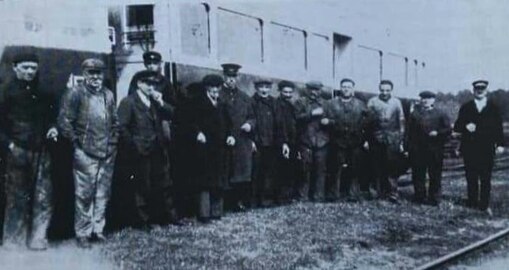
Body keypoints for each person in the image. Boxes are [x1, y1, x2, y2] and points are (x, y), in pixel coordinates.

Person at [58, 58, 118, 248]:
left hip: (107, 152)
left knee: (102, 193)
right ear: (84, 74)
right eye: (91, 73)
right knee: (84, 194)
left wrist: (114, 142)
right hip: (85, 153)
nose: (95, 77)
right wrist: (77, 145)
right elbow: (64, 121)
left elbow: (115, 121)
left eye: (98, 73)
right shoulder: (75, 93)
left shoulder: (108, 95)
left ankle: (97, 230)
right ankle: (82, 232)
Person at [0, 52, 58, 250]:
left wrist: (52, 128)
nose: (30, 72)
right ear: (15, 68)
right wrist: (9, 144)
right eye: (25, 67)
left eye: (33, 68)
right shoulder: (4, 92)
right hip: (17, 150)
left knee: (44, 196)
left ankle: (38, 238)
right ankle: (13, 240)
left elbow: (52, 116)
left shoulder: (44, 92)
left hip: (42, 151)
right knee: (16, 196)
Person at [117, 70, 179, 229]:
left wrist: (161, 102)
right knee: (141, 187)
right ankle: (143, 221)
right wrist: (134, 146)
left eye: (154, 84)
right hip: (140, 151)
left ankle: (168, 218)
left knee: (163, 184)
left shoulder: (154, 101)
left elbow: (172, 114)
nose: (151, 87)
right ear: (139, 84)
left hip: (157, 149)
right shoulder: (129, 102)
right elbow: (122, 127)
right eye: (148, 83)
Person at [181, 74, 234, 222]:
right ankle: (204, 214)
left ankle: (216, 212)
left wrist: (230, 135)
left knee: (219, 180)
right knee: (204, 182)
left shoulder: (222, 105)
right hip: (204, 148)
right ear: (207, 88)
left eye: (218, 88)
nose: (216, 91)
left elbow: (229, 124)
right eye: (213, 88)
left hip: (220, 148)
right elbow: (189, 122)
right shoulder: (196, 103)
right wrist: (197, 133)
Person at [453, 80, 504, 215]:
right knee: (471, 176)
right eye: (477, 88)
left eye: (482, 88)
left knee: (486, 177)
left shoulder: (493, 107)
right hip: (470, 147)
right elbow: (457, 126)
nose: (480, 91)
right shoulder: (466, 107)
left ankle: (484, 204)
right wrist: (465, 126)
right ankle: (472, 202)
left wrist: (500, 144)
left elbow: (499, 127)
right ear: (473, 90)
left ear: (486, 90)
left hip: (487, 147)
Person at [322, 78, 370, 201]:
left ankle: (353, 193)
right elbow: (324, 120)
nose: (346, 89)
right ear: (340, 88)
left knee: (355, 168)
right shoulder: (330, 104)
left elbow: (367, 123)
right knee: (335, 168)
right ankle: (334, 194)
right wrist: (329, 122)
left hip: (355, 141)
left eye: (349, 87)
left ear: (353, 89)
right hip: (337, 141)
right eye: (344, 86)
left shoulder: (361, 104)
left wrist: (364, 138)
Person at [219, 63, 254, 211]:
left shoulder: (245, 97)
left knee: (241, 172)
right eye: (228, 76)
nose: (231, 80)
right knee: (226, 171)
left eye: (233, 76)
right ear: (224, 77)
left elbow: (253, 117)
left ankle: (239, 202)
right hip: (224, 139)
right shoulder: (218, 95)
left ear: (238, 77)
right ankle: (225, 203)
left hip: (242, 139)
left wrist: (249, 124)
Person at [407, 91, 451, 205]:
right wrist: (408, 147)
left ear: (433, 100)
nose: (425, 101)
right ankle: (419, 196)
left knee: (435, 174)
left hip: (435, 149)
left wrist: (438, 133)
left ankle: (434, 198)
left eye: (428, 98)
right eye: (423, 98)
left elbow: (448, 130)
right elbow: (409, 132)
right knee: (418, 174)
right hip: (418, 149)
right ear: (420, 100)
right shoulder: (415, 114)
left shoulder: (440, 113)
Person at [367, 80, 406, 203]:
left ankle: (392, 192)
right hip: (376, 137)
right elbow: (367, 122)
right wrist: (367, 139)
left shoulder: (396, 102)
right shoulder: (372, 102)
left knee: (391, 166)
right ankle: (375, 192)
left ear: (391, 90)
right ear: (379, 89)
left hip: (392, 138)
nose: (384, 92)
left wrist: (400, 140)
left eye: (387, 90)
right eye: (382, 90)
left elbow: (401, 121)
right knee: (375, 165)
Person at [245, 79, 281, 207]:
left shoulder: (274, 103)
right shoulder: (251, 102)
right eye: (261, 87)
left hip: (271, 143)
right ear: (256, 88)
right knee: (256, 173)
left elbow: (279, 124)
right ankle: (253, 201)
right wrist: (251, 141)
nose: (264, 90)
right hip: (257, 142)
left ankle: (267, 199)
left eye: (267, 87)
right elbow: (249, 120)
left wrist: (282, 142)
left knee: (270, 172)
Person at [294, 81, 329, 202]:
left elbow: (332, 118)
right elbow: (297, 118)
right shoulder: (300, 102)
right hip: (305, 140)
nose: (314, 92)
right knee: (304, 168)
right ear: (307, 90)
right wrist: (312, 113)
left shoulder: (326, 104)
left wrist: (328, 121)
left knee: (320, 169)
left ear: (320, 91)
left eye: (317, 90)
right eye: (311, 89)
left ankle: (318, 196)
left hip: (322, 141)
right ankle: (303, 196)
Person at [274, 80, 299, 203]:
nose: (288, 94)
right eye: (285, 92)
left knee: (290, 169)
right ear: (280, 92)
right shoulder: (277, 105)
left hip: (292, 141)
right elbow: (279, 125)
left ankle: (288, 196)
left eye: (290, 92)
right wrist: (283, 142)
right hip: (283, 142)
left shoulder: (291, 105)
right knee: (282, 169)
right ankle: (281, 197)